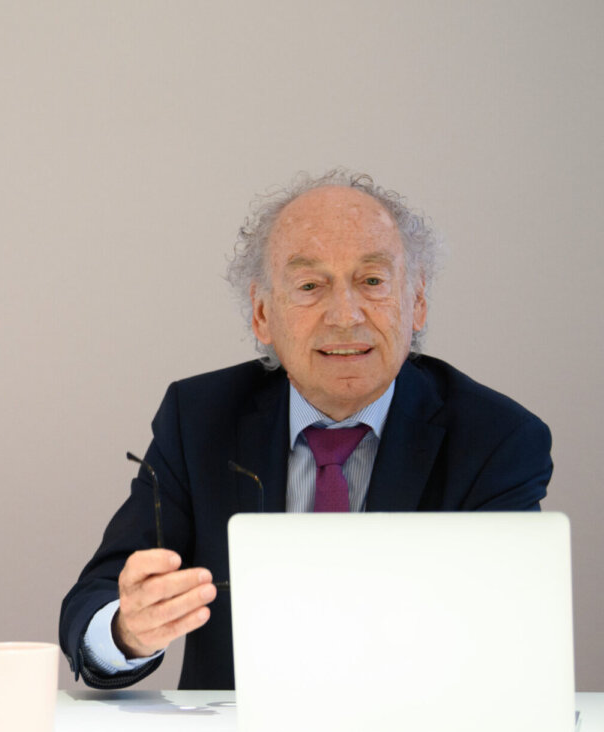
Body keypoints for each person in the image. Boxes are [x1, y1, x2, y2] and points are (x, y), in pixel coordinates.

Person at [59, 169, 552, 690]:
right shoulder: (200, 418)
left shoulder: (496, 438)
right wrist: (127, 631)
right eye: (311, 286)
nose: (345, 315)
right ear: (263, 313)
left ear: (417, 304)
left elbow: (511, 639)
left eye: (373, 282)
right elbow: (96, 600)